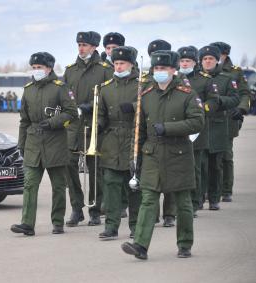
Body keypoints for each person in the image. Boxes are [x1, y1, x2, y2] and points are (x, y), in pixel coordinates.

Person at [121, 50, 204, 260]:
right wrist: (134, 158)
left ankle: (185, 244)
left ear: (173, 70)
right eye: (156, 68)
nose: (159, 72)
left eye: (163, 69)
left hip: (179, 154)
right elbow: (138, 130)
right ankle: (140, 245)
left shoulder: (187, 94)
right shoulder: (146, 96)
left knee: (183, 202)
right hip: (152, 154)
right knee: (148, 200)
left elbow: (197, 122)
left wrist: (167, 128)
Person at [11, 52, 78, 236]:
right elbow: (24, 120)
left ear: (49, 68)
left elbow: (72, 113)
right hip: (33, 143)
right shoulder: (28, 89)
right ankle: (27, 224)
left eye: (39, 67)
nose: (36, 71)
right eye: (34, 68)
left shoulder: (60, 88)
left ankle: (57, 222)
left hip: (55, 143)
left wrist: (53, 122)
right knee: (30, 184)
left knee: (58, 186)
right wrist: (21, 145)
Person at [63, 31, 112, 227]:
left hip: (95, 125)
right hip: (74, 127)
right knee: (69, 165)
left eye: (85, 45)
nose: (81, 48)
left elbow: (109, 99)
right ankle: (76, 207)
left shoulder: (105, 69)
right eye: (79, 45)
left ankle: (95, 209)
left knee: (95, 170)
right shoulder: (70, 70)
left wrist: (91, 108)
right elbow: (63, 97)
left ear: (94, 47)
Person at [98, 46, 142, 240]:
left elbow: (150, 107)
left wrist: (132, 107)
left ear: (131, 64)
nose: (118, 66)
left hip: (135, 138)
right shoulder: (106, 88)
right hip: (112, 142)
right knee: (111, 186)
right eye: (116, 63)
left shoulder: (143, 85)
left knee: (134, 187)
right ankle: (111, 226)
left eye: (122, 63)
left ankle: (135, 227)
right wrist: (96, 127)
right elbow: (101, 115)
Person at [177, 46, 220, 216]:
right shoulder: (174, 78)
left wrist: (200, 111)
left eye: (188, 61)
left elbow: (214, 101)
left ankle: (195, 202)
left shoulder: (205, 80)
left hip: (197, 130)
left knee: (195, 168)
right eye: (182, 60)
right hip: (177, 128)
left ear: (195, 62)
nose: (185, 63)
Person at [199, 45, 240, 210]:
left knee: (216, 164)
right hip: (200, 126)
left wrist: (219, 101)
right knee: (200, 165)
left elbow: (235, 99)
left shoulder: (226, 78)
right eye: (205, 59)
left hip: (218, 126)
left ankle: (215, 198)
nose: (208, 62)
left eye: (211, 59)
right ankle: (199, 198)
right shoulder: (196, 79)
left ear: (217, 61)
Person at [210, 42, 251, 202]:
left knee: (226, 156)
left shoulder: (235, 72)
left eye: (217, 54)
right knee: (209, 156)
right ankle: (210, 189)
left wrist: (240, 109)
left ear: (225, 55)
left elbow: (245, 94)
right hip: (209, 119)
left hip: (228, 120)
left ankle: (226, 189)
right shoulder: (205, 71)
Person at [143, 39, 177, 227]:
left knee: (169, 178)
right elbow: (141, 103)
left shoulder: (179, 81)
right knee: (151, 181)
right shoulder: (147, 79)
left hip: (172, 135)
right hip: (151, 136)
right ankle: (152, 213)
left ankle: (170, 213)